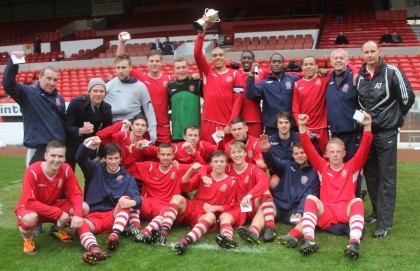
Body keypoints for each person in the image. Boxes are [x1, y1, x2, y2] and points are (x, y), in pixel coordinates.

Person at [356, 40, 415, 238]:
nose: (370, 55)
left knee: (387, 177)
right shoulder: (360, 76)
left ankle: (385, 223)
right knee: (371, 176)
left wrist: (394, 117)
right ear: (362, 54)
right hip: (368, 133)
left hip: (386, 133)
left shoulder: (392, 71)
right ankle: (375, 212)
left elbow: (408, 97)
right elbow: (359, 101)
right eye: (366, 52)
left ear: (380, 52)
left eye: (373, 51)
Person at [296, 112, 372, 260]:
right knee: (311, 198)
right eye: (332, 152)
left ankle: (354, 242)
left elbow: (364, 148)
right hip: (327, 212)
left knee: (357, 201)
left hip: (345, 212)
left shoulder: (352, 166)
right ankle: (308, 239)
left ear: (344, 153)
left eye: (338, 152)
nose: (335, 155)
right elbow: (308, 147)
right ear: (327, 154)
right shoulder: (322, 166)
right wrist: (302, 126)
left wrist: (367, 126)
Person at [154, 151, 238, 255]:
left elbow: (229, 206)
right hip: (193, 207)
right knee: (177, 198)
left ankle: (184, 242)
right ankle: (163, 233)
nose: (219, 164)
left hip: (204, 216)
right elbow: (184, 186)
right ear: (211, 164)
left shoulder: (231, 182)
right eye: (216, 161)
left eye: (222, 161)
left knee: (211, 216)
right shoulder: (204, 176)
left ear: (226, 163)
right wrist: (190, 170)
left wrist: (214, 207)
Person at [14, 140, 88, 255]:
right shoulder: (32, 171)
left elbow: (76, 194)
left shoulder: (66, 169)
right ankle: (28, 240)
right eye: (53, 155)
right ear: (45, 155)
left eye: (60, 156)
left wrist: (78, 215)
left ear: (64, 158)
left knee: (83, 208)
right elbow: (30, 202)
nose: (57, 159)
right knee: (30, 218)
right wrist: (58, 213)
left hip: (52, 204)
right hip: (30, 208)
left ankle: (56, 230)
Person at [75, 139, 141, 265]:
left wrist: (132, 203)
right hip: (94, 217)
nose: (113, 162)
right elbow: (79, 158)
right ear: (105, 158)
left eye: (116, 158)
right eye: (110, 158)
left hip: (113, 217)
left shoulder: (127, 178)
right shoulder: (95, 169)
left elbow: (137, 198)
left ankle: (114, 237)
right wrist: (86, 144)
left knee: (125, 200)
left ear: (121, 158)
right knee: (80, 224)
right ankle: (95, 250)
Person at [2, 51, 66, 166]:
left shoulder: (59, 99)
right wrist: (14, 62)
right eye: (48, 78)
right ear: (40, 77)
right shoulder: (27, 93)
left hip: (57, 150)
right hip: (38, 149)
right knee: (34, 183)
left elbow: (62, 124)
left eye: (55, 80)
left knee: (57, 184)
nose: (52, 83)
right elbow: (8, 84)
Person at [259, 138, 319, 249]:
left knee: (305, 220)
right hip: (278, 205)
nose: (299, 156)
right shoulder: (287, 165)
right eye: (296, 153)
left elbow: (309, 195)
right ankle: (259, 230)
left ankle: (292, 235)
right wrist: (266, 151)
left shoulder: (314, 173)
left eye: (302, 153)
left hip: (293, 211)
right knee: (263, 207)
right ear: (292, 155)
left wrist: (300, 211)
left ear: (308, 153)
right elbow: (274, 161)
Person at [215, 142, 275, 249]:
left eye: (239, 152)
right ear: (229, 155)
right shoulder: (226, 168)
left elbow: (264, 182)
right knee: (224, 216)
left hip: (252, 206)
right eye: (233, 152)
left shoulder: (253, 168)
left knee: (266, 193)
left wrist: (250, 195)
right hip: (235, 207)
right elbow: (206, 168)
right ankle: (227, 238)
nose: (237, 155)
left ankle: (254, 232)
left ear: (245, 154)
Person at [117, 34, 173, 143]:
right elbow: (121, 60)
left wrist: (194, 76)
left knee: (165, 155)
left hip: (163, 127)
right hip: (144, 126)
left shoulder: (169, 79)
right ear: (146, 63)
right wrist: (122, 43)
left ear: (161, 63)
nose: (154, 63)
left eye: (157, 61)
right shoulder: (141, 77)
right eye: (151, 61)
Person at [194, 27, 244, 143]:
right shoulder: (207, 71)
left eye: (220, 55)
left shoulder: (235, 74)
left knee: (225, 156)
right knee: (208, 155)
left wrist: (231, 123)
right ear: (211, 58)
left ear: (225, 57)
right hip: (207, 122)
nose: (218, 58)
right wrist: (201, 35)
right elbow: (197, 54)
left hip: (225, 124)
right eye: (215, 56)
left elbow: (238, 101)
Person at [326, 48, 364, 197]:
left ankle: (356, 197)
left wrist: (355, 121)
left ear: (348, 61)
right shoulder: (327, 78)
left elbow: (362, 104)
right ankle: (341, 196)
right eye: (335, 58)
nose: (338, 60)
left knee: (354, 167)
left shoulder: (355, 78)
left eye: (342, 58)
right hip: (335, 132)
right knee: (336, 166)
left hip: (352, 133)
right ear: (331, 62)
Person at [104, 54, 157, 143]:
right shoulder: (108, 86)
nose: (120, 71)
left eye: (124, 67)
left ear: (130, 68)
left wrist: (152, 131)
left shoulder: (140, 86)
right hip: (114, 127)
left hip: (134, 128)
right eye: (118, 68)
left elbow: (149, 109)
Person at [246, 53, 300, 137]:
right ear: (270, 64)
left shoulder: (293, 79)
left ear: (284, 64)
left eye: (279, 62)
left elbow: (307, 78)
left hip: (291, 126)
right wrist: (251, 74)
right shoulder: (264, 84)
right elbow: (250, 95)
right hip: (272, 127)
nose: (276, 64)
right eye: (274, 62)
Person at [64, 78, 113, 172]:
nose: (98, 94)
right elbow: (66, 126)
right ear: (89, 91)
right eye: (95, 91)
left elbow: (106, 134)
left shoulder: (106, 108)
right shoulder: (76, 103)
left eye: (101, 91)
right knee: (68, 173)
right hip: (72, 144)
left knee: (91, 175)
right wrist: (80, 130)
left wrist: (100, 156)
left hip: (90, 147)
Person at [292, 56, 329, 154]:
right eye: (306, 64)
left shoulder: (324, 78)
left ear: (316, 66)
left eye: (311, 64)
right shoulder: (297, 84)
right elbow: (295, 110)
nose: (309, 67)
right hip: (305, 128)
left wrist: (355, 71)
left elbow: (342, 66)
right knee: (306, 158)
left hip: (321, 128)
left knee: (323, 156)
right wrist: (302, 127)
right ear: (302, 67)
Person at [236, 50, 270, 137]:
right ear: (240, 60)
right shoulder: (236, 74)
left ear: (253, 60)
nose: (246, 60)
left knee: (256, 145)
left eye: (249, 58)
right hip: (239, 119)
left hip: (255, 118)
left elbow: (279, 73)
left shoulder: (261, 72)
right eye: (244, 58)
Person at [167, 57, 202, 141]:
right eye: (178, 68)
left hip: (194, 134)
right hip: (177, 133)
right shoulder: (170, 86)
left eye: (183, 67)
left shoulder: (197, 82)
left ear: (188, 67)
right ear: (174, 69)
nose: (181, 70)